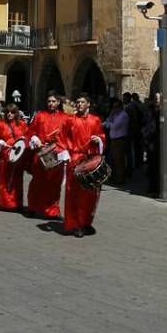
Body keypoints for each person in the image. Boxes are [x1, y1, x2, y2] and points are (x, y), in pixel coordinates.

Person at [60, 93, 105, 236]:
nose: (79, 104)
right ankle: (74, 224)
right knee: (74, 193)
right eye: (77, 102)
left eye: (82, 102)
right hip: (75, 158)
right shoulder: (70, 120)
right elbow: (62, 137)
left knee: (90, 194)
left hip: (90, 159)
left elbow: (102, 135)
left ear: (88, 104)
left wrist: (99, 140)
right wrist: (65, 152)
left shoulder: (95, 120)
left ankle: (86, 222)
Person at [26, 92, 67, 219]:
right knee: (37, 182)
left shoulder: (65, 118)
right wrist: (34, 138)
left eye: (54, 101)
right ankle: (33, 207)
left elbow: (68, 136)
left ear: (58, 102)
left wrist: (64, 150)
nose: (51, 104)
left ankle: (52, 210)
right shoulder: (40, 116)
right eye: (49, 101)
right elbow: (31, 131)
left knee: (54, 184)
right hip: (40, 152)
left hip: (57, 153)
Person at [0, 102, 28, 211]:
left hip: (18, 156)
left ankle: (17, 203)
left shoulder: (22, 124)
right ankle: (5, 204)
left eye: (12, 112)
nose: (9, 114)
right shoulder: (1, 124)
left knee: (17, 180)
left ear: (16, 113)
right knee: (4, 179)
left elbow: (27, 136)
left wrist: (23, 140)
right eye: (7, 112)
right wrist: (0, 141)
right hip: (5, 157)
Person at [104, 98, 129, 185]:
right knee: (114, 159)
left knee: (119, 159)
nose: (114, 109)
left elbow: (113, 126)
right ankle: (115, 177)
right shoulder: (115, 115)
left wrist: (109, 123)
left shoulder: (123, 115)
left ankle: (120, 178)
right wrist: (111, 116)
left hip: (120, 139)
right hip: (113, 139)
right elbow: (106, 122)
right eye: (113, 107)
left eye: (116, 107)